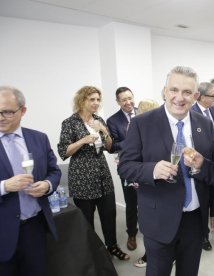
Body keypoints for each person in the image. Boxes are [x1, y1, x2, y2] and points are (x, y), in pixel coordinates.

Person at [118, 66, 214, 276]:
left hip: (194, 219)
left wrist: (201, 167)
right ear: (164, 91)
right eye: (174, 90)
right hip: (159, 218)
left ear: (196, 96)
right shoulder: (141, 123)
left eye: (187, 92)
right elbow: (125, 166)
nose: (179, 98)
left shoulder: (205, 124)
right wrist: (152, 170)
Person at [57, 86, 129, 261]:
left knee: (109, 213)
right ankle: (93, 252)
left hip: (102, 173)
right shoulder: (70, 122)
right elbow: (63, 152)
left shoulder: (99, 120)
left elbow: (110, 148)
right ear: (82, 100)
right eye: (92, 99)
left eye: (98, 99)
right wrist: (83, 140)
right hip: (82, 175)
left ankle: (112, 247)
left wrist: (103, 130)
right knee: (86, 218)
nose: (96, 103)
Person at [0, 86, 61, 276]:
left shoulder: (39, 138)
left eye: (7, 112)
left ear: (23, 111)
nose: (1, 117)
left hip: (34, 227)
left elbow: (54, 171)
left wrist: (47, 185)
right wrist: (4, 186)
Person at [106, 86, 139, 251]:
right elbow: (112, 147)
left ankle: (152, 230)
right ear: (118, 102)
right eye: (124, 100)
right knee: (131, 202)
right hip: (127, 168)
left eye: (130, 98)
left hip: (147, 166)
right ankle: (132, 233)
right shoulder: (112, 121)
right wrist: (132, 141)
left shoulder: (144, 113)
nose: (128, 102)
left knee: (150, 200)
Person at [131, 98, 160, 269]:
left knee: (149, 224)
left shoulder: (140, 129)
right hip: (148, 182)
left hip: (147, 184)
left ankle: (150, 257)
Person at [191, 81, 214, 251]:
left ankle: (212, 224)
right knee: (201, 201)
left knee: (212, 198)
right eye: (212, 96)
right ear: (201, 97)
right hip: (198, 164)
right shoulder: (191, 113)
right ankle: (203, 236)